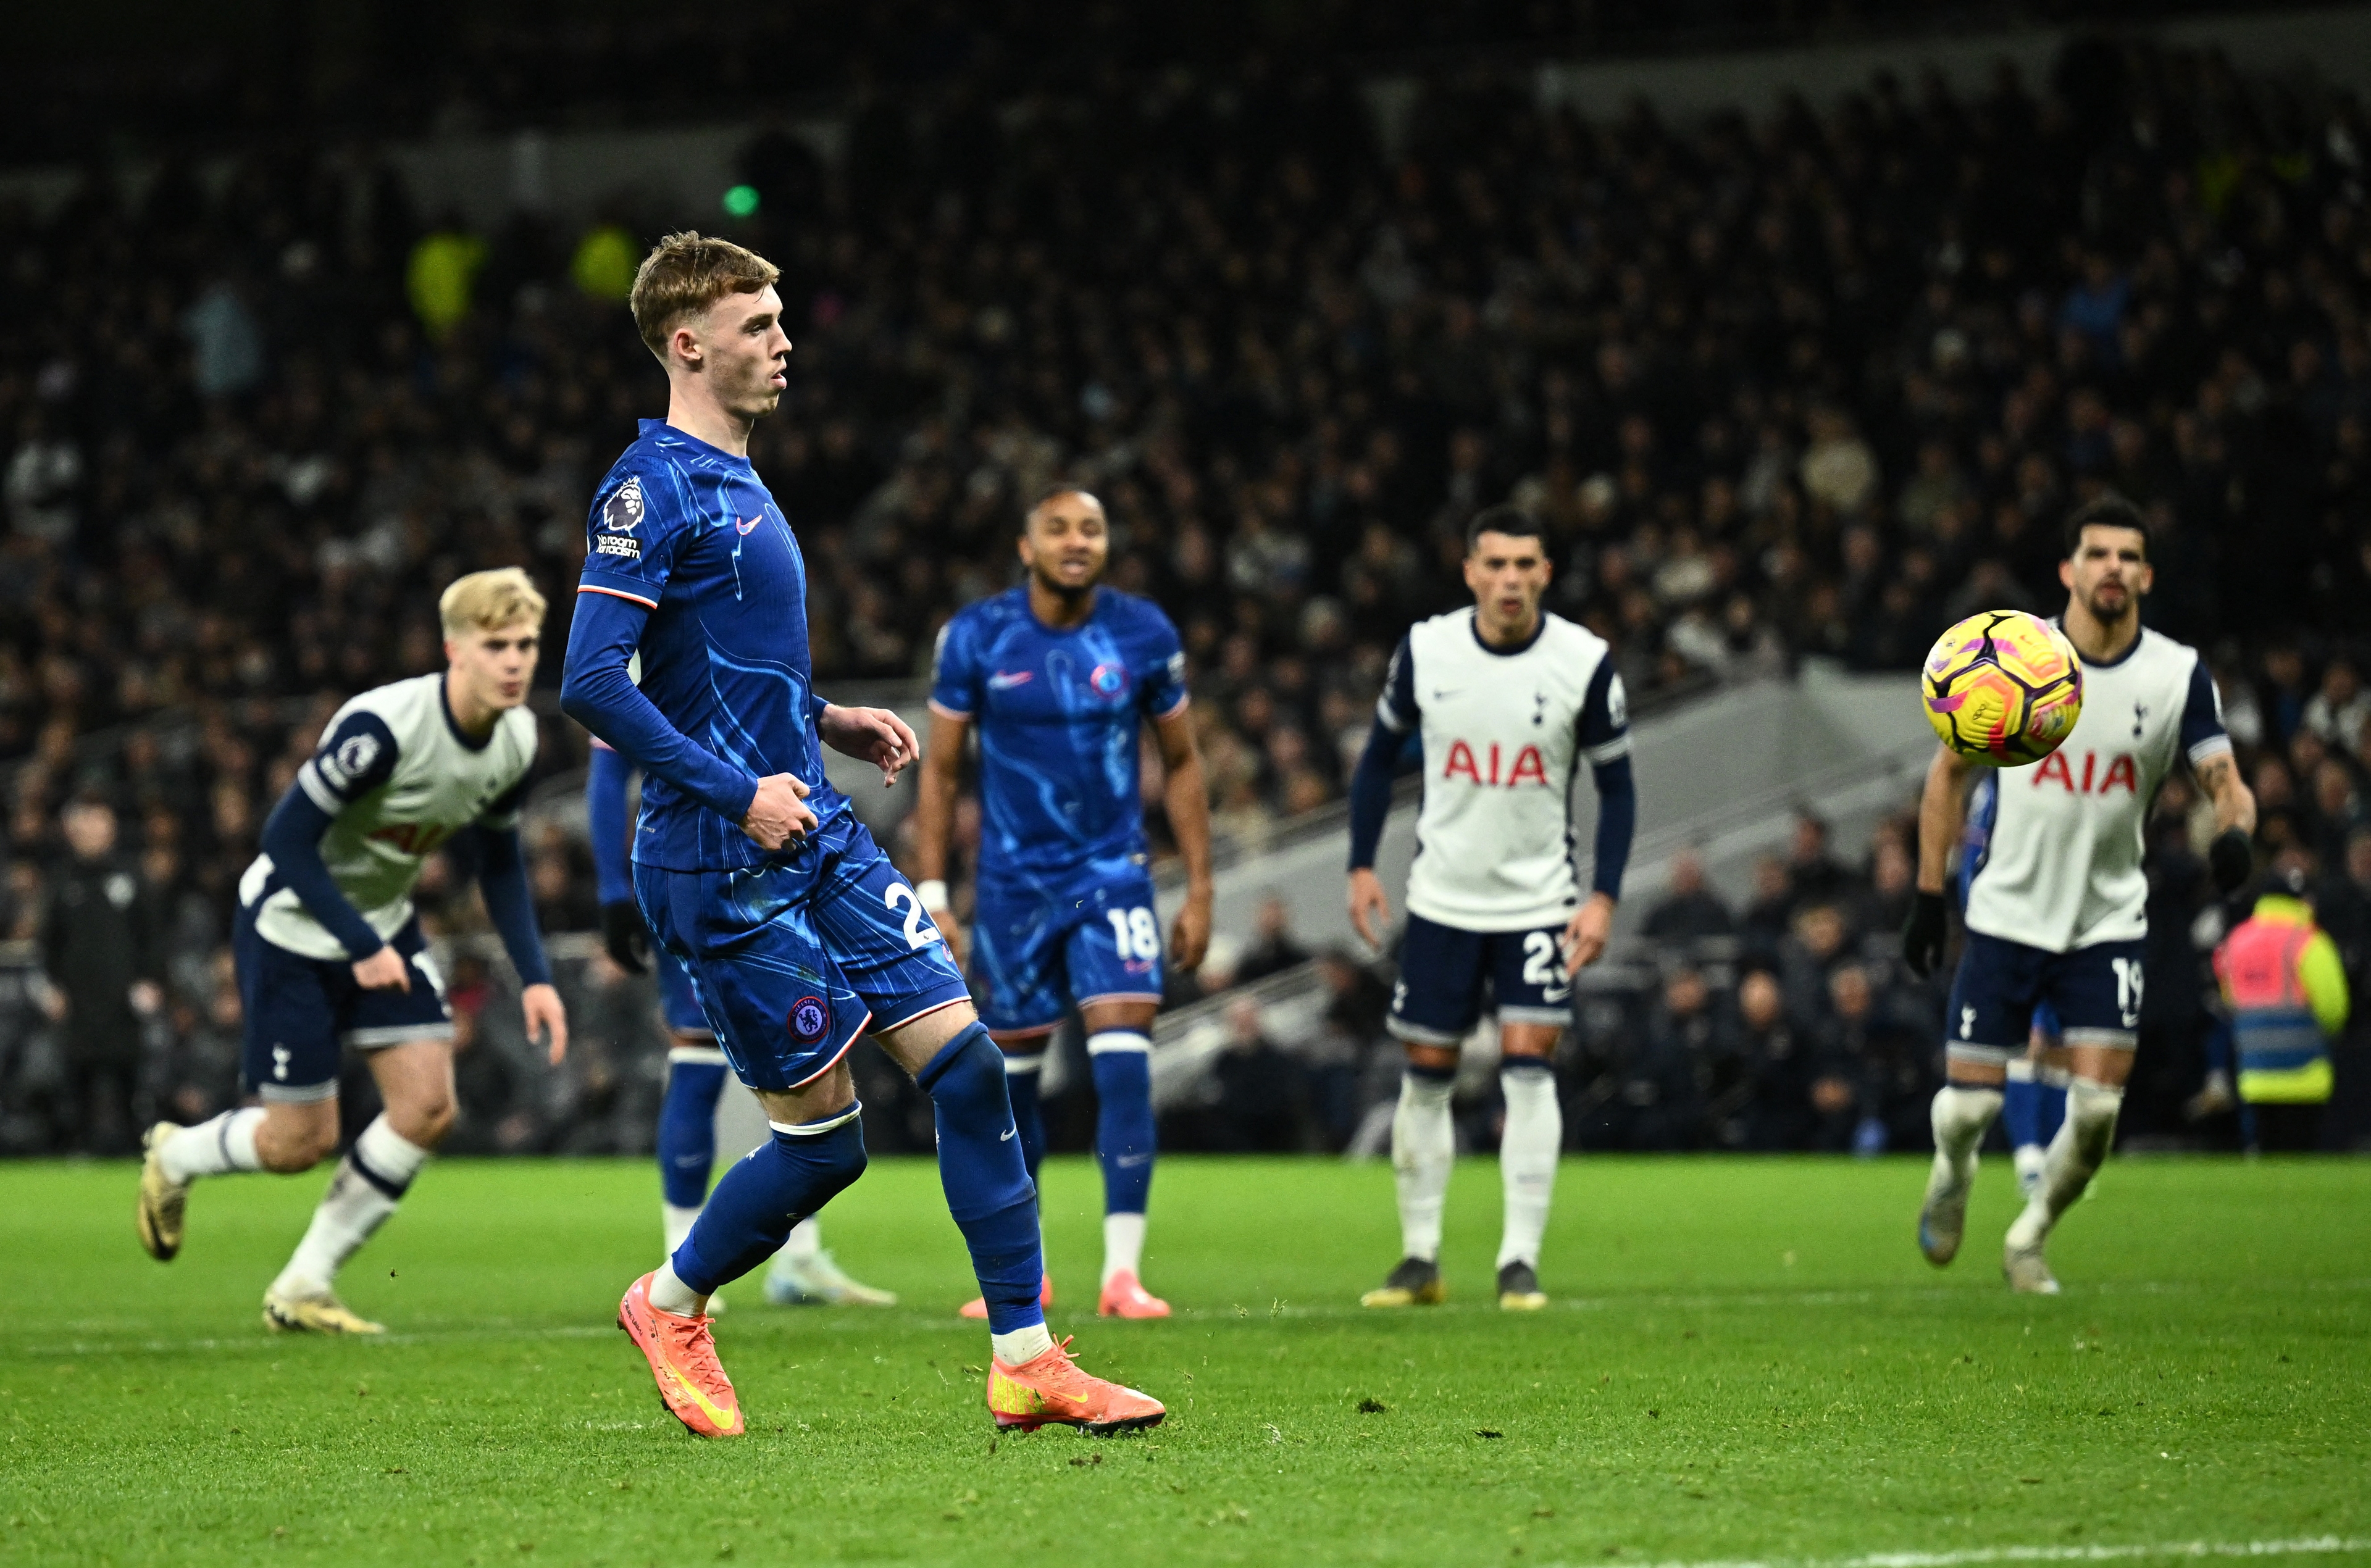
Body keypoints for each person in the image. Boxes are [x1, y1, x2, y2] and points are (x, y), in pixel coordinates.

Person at [559, 232, 1160, 1440]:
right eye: (758, 326)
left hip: (814, 826)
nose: (785, 342)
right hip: (716, 856)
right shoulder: (651, 488)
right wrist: (740, 792)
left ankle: (1026, 1356)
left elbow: (715, 662)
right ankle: (671, 1301)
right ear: (689, 343)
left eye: (781, 322)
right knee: (828, 1150)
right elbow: (592, 683)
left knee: (974, 1070)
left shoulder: (740, 472)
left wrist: (825, 718)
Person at [134, 569, 569, 1333]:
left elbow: (498, 862)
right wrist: (359, 941)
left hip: (381, 924)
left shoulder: (517, 738)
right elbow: (285, 840)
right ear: (453, 650)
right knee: (297, 1142)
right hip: (293, 925)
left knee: (429, 1105)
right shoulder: (384, 728)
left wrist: (535, 976)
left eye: (527, 644)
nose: (514, 661)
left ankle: (305, 1283)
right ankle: (177, 1156)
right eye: (495, 644)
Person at [1904, 493, 2256, 1293]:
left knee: (2096, 1117)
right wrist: (1930, 895)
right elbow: (1947, 775)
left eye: (2129, 557)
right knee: (1968, 1112)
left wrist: (2235, 833)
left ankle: (2029, 1238)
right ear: (2068, 570)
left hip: (2106, 919)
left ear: (2148, 576)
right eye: (2098, 554)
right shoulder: (2016, 659)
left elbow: (2226, 782)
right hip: (2007, 914)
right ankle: (1953, 1174)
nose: (2114, 569)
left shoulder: (2174, 675)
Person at [912, 485, 1213, 1319]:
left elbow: (1183, 762)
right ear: (1027, 545)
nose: (1076, 541)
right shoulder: (977, 636)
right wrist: (935, 892)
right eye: (1059, 529)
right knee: (1014, 1088)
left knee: (1125, 1066)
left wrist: (1200, 888)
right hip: (1011, 890)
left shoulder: (1143, 633)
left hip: (1113, 876)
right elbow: (938, 771)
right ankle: (1029, 1273)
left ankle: (1123, 1273)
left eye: (1091, 529)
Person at [1344, 503, 1637, 1311]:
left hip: (1540, 903)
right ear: (1470, 571)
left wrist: (1603, 897)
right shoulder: (1427, 650)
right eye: (1496, 565)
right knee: (1426, 1077)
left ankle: (1519, 1261)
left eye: (1526, 565)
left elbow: (1617, 788)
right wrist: (1360, 866)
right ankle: (1420, 1258)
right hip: (1441, 902)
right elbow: (1374, 763)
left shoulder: (1583, 662)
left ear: (1546, 573)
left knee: (1528, 1070)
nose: (1510, 580)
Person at [585, 738, 893, 1307]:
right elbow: (608, 767)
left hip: (787, 864)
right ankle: (679, 1254)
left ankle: (800, 1258)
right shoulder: (642, 650)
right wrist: (611, 893)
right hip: (695, 863)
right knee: (697, 1049)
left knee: (813, 1051)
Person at [44, 796, 163, 1154]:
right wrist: (52, 987)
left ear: (111, 827)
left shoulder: (131, 875)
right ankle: (79, 1147)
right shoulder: (62, 880)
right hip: (78, 998)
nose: (93, 831)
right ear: (73, 830)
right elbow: (49, 942)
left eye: (100, 822)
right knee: (79, 1076)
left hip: (123, 997)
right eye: (87, 823)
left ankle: (131, 1146)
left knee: (128, 1072)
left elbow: (152, 935)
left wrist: (151, 981)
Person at [2215, 865, 2350, 1153]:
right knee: (2302, 1168)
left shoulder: (2235, 942)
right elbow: (2334, 1009)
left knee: (2267, 1164)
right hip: (2306, 1076)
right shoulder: (2310, 941)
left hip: (2255, 1076)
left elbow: (2229, 1001)